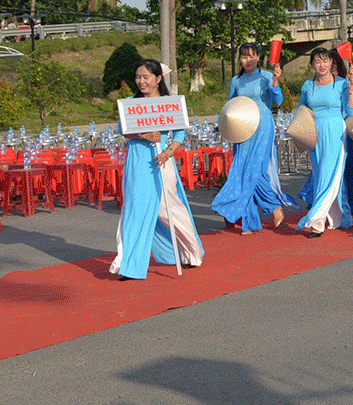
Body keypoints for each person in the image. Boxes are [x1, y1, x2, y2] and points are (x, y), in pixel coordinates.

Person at [110, 60, 204, 280]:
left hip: (162, 159)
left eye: (146, 77)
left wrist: (168, 151)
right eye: (138, 77)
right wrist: (142, 135)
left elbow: (179, 135)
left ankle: (191, 252)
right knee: (135, 210)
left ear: (158, 79)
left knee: (168, 208)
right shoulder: (131, 103)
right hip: (137, 159)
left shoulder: (168, 103)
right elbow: (123, 131)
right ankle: (129, 265)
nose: (141, 81)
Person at [211, 43, 294, 235]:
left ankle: (273, 206)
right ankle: (253, 220)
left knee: (256, 170)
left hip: (262, 127)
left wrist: (275, 83)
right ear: (239, 59)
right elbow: (231, 106)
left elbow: (279, 101)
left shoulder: (266, 76)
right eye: (244, 56)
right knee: (242, 172)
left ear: (259, 57)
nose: (248, 60)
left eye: (252, 56)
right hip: (241, 129)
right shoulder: (236, 81)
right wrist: (226, 127)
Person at [295, 47, 353, 237]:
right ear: (312, 64)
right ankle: (340, 216)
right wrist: (306, 112)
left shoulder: (341, 84)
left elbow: (351, 111)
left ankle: (316, 220)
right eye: (317, 61)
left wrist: (352, 90)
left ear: (332, 62)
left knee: (328, 175)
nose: (321, 65)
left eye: (325, 61)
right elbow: (300, 107)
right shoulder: (308, 85)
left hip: (335, 131)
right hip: (314, 132)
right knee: (322, 173)